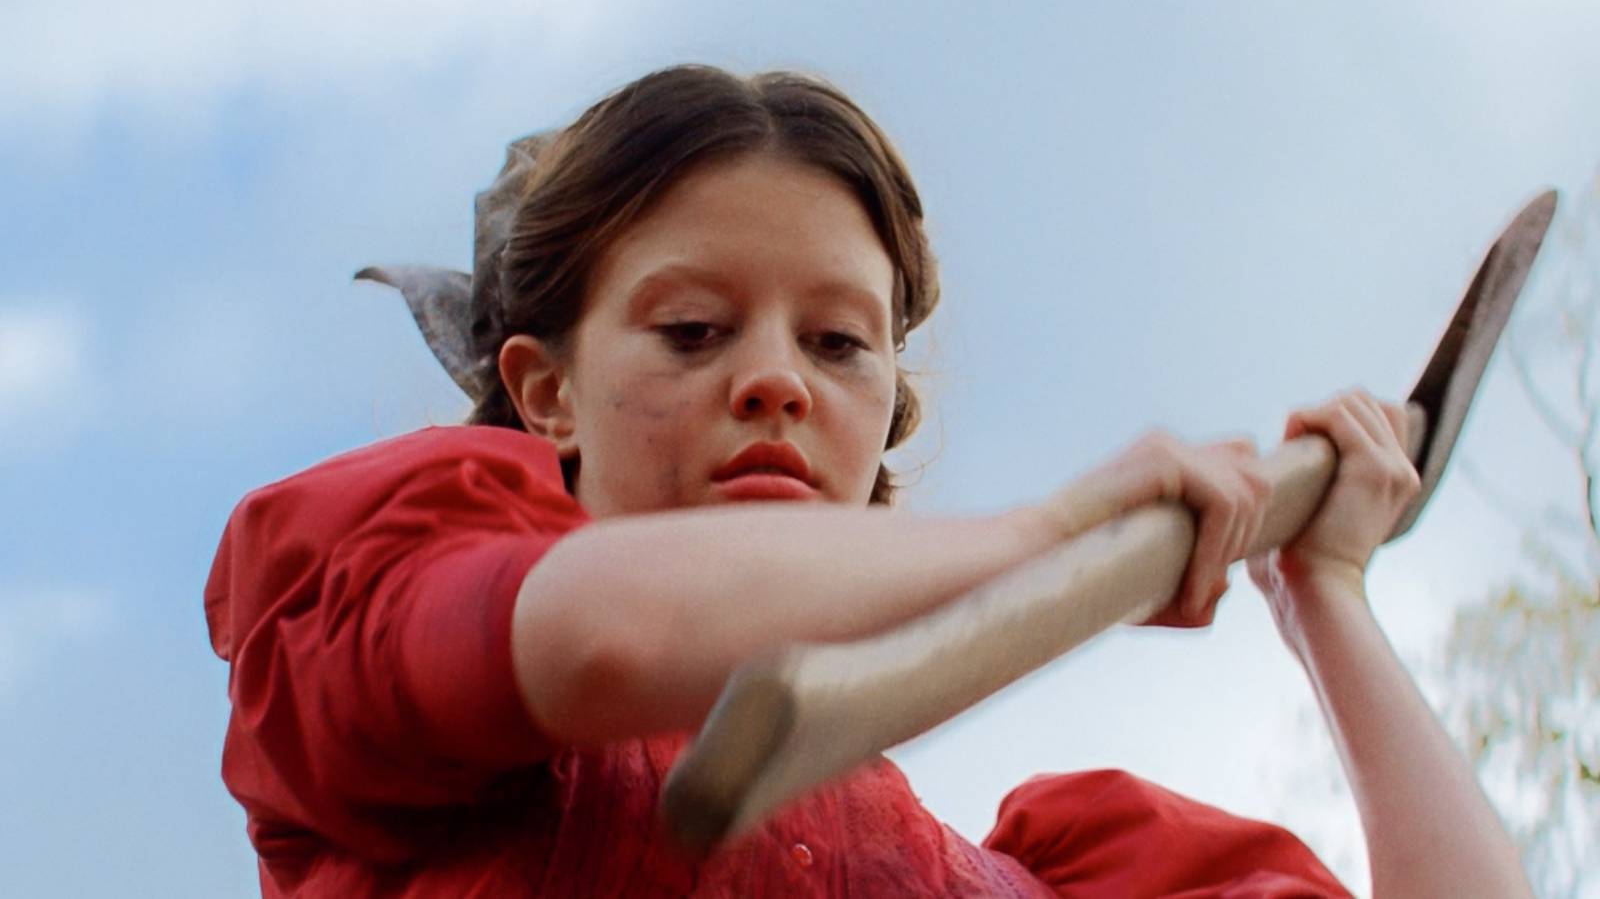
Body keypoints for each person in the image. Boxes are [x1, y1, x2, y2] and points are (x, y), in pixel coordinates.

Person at [204, 64, 1531, 897]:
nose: (775, 381)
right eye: (691, 330)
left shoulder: (1040, 877)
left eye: (841, 343)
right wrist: (1055, 534)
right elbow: (616, 628)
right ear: (544, 389)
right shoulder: (376, 629)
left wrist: (1329, 590)